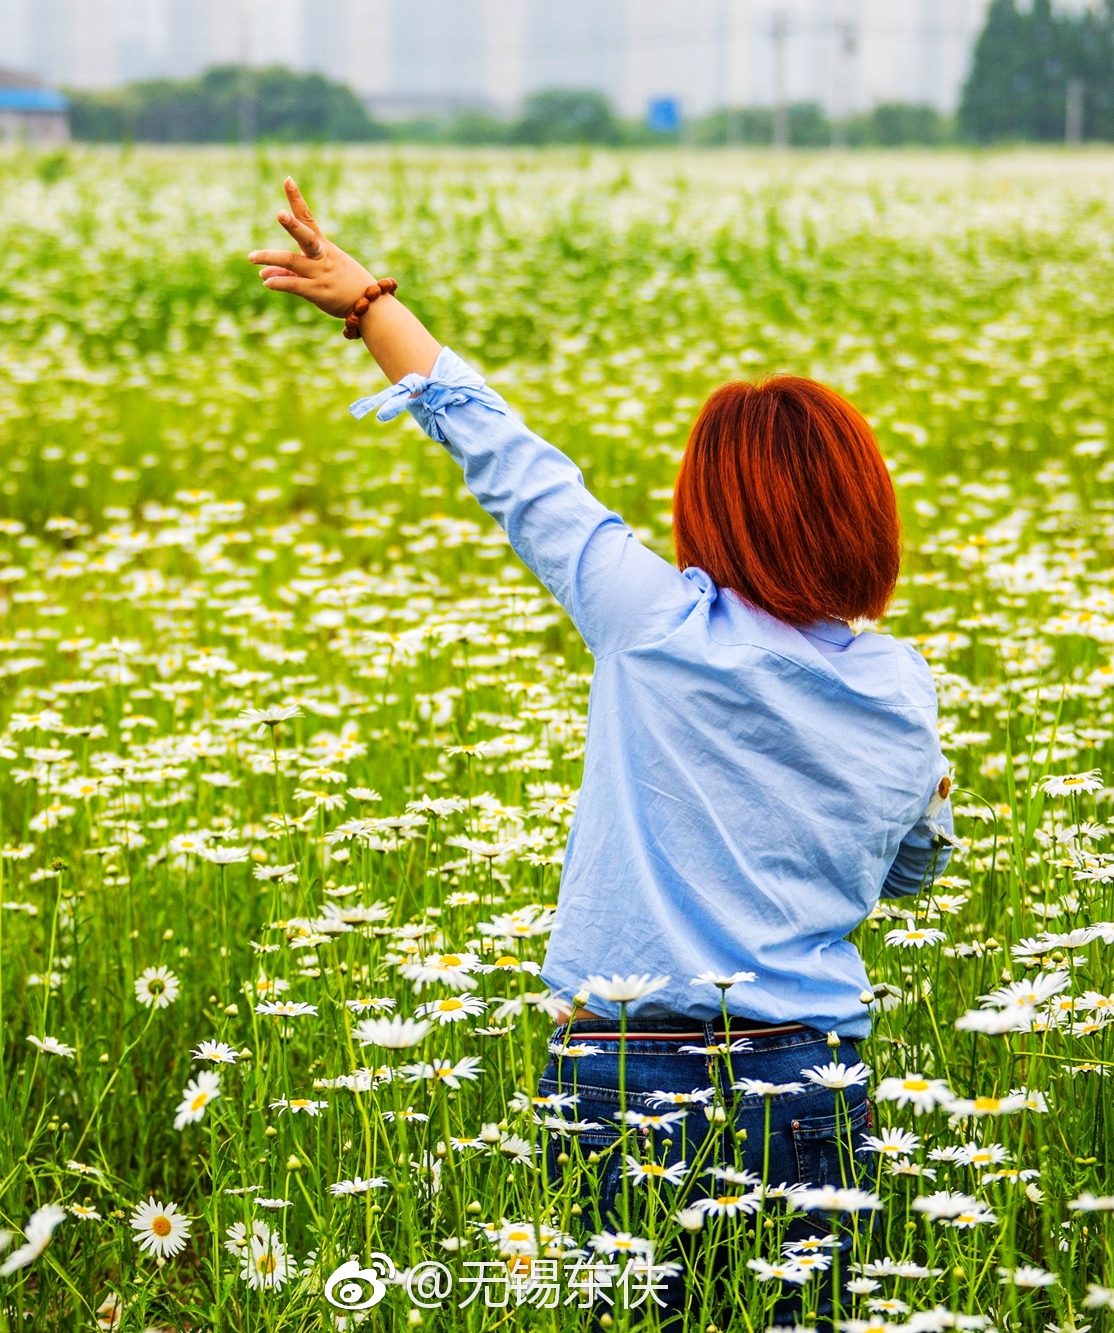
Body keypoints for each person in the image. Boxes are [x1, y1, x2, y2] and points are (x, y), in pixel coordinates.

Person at [250, 178, 953, 1311]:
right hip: (809, 1068)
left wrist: (370, 302)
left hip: (617, 1067)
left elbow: (512, 462)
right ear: (864, 514)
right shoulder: (896, 683)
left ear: (705, 508)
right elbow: (910, 874)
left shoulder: (649, 620)